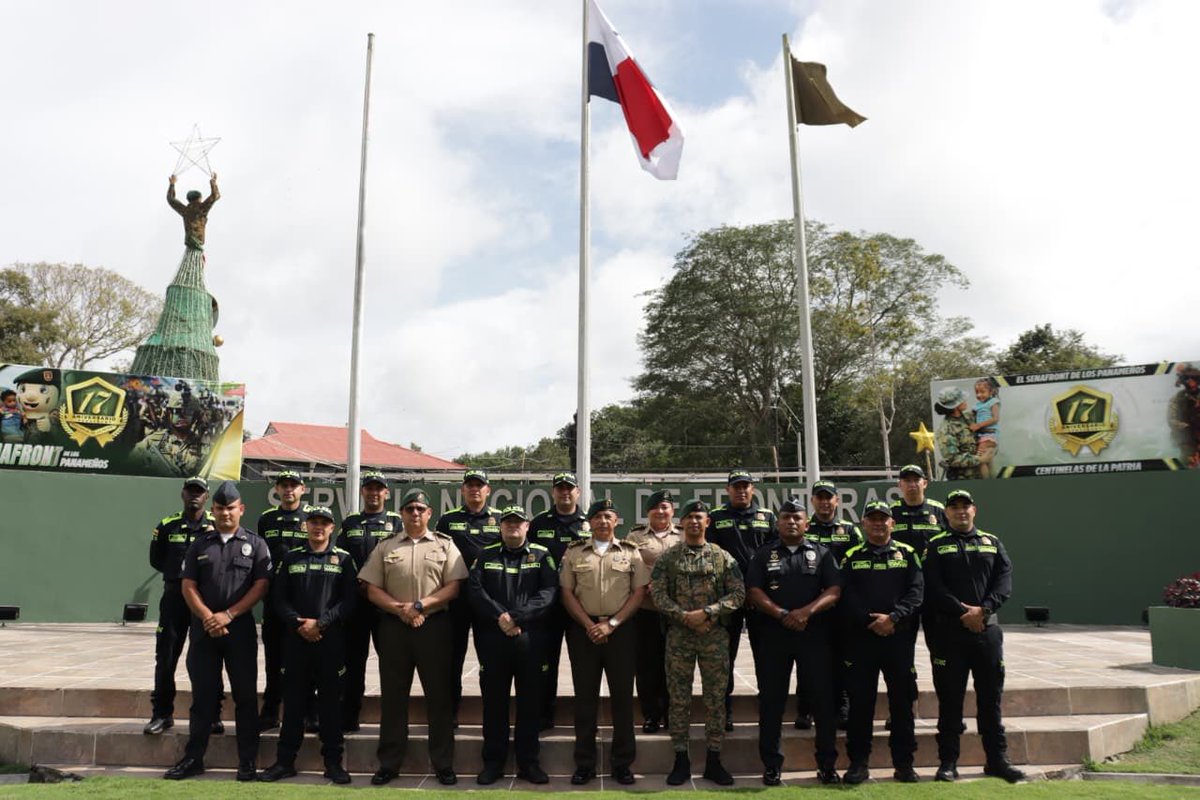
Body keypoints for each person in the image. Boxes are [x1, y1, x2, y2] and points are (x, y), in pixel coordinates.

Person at [358, 488, 466, 787]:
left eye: (420, 509)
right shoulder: (385, 546)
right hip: (395, 627)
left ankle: (443, 764)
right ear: (401, 513)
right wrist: (401, 609)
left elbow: (454, 586)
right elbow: (370, 587)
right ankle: (389, 764)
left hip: (434, 626)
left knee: (439, 697)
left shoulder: (445, 545)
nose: (415, 513)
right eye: (409, 509)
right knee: (393, 697)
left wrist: (420, 606)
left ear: (429, 514)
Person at [165, 481, 271, 782]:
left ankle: (247, 761)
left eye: (231, 508)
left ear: (242, 509)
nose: (226, 513)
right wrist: (208, 617)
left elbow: (261, 585)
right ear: (214, 510)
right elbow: (188, 585)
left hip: (239, 631)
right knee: (203, 698)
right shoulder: (200, 544)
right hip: (204, 632)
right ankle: (194, 758)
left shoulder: (256, 544)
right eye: (221, 508)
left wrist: (229, 614)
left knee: (246, 697)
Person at [924, 490, 1025, 784]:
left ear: (974, 510)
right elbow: (933, 586)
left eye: (965, 506)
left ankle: (997, 760)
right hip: (949, 633)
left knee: (990, 699)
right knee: (950, 700)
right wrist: (962, 613)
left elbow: (1004, 581)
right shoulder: (935, 545)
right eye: (954, 507)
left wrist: (984, 610)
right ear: (946, 513)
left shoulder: (992, 543)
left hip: (987, 632)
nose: (960, 511)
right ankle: (948, 763)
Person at [745, 496, 842, 786]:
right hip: (774, 636)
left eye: (797, 517)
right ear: (777, 523)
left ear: (806, 523)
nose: (791, 522)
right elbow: (753, 590)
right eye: (786, 517)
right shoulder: (763, 555)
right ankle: (772, 765)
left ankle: (826, 765)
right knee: (772, 701)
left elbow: (835, 589)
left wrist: (806, 613)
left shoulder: (822, 553)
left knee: (823, 702)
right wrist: (781, 613)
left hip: (814, 635)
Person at [258, 505, 357, 785]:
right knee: (294, 705)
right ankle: (285, 762)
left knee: (330, 705)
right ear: (305, 526)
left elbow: (349, 601)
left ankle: (334, 763)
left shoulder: (344, 559)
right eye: (313, 522)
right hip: (297, 640)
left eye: (324, 523)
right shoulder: (290, 558)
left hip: (330, 641)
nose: (318, 527)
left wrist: (322, 623)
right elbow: (278, 598)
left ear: (332, 528)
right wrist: (298, 623)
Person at [651, 499, 745, 787]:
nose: (694, 522)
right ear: (682, 522)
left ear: (708, 523)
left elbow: (738, 593)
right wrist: (682, 616)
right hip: (679, 636)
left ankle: (714, 761)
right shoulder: (669, 558)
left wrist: (708, 612)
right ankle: (680, 760)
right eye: (689, 517)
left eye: (699, 517)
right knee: (678, 700)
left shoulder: (721, 557)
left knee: (715, 700)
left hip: (713, 636)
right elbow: (657, 592)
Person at [468, 505, 559, 785]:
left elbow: (549, 592)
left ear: (527, 526)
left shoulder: (542, 556)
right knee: (494, 704)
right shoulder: (485, 556)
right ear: (500, 527)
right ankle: (493, 763)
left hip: (530, 639)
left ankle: (528, 763)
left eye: (518, 522)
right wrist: (501, 616)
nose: (512, 527)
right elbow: (475, 590)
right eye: (507, 522)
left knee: (530, 705)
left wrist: (517, 617)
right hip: (494, 639)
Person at [559, 498, 648, 785]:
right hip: (583, 632)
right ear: (589, 522)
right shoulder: (574, 552)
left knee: (622, 699)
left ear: (616, 521)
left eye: (608, 516)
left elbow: (639, 593)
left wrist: (611, 624)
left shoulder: (631, 552)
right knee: (584, 699)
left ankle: (622, 764)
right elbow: (567, 593)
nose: (602, 521)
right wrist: (589, 625)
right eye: (597, 516)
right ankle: (584, 763)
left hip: (620, 631)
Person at [839, 501, 923, 785]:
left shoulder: (908, 554)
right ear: (863, 524)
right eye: (872, 519)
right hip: (862, 642)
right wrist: (870, 621)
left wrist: (893, 619)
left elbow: (916, 592)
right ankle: (858, 764)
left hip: (898, 641)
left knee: (902, 705)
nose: (878, 524)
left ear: (892, 524)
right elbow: (845, 595)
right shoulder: (851, 556)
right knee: (861, 706)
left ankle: (904, 765)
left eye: (883, 519)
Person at [144, 477, 223, 736]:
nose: (194, 496)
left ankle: (212, 715)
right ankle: (162, 714)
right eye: (190, 491)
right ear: (182, 494)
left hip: (205, 602)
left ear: (206, 496)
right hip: (175, 599)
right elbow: (157, 560)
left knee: (208, 659)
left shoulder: (216, 526)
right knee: (166, 657)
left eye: (199, 492)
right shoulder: (167, 525)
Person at [707, 469, 776, 729]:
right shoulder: (716, 517)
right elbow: (712, 557)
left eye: (746, 486)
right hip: (727, 598)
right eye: (736, 486)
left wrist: (755, 589)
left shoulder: (767, 517)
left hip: (760, 598)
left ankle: (768, 709)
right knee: (724, 657)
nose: (741, 490)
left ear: (753, 489)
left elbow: (774, 556)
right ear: (728, 490)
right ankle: (724, 711)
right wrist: (737, 590)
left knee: (766, 657)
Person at [335, 470, 403, 732]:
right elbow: (341, 557)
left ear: (386, 493)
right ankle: (349, 716)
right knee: (353, 662)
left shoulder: (397, 522)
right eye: (369, 488)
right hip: (357, 604)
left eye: (379, 488)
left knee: (392, 663)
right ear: (362, 491)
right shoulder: (350, 522)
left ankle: (393, 720)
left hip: (387, 604)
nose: (374, 493)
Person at [434, 468, 502, 725]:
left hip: (489, 600)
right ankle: (449, 713)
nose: (475, 489)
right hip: (457, 599)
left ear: (488, 490)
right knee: (451, 659)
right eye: (470, 485)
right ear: (462, 490)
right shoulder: (448, 520)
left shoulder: (499, 519)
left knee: (491, 660)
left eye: (479, 485)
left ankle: (492, 716)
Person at [527, 471, 588, 730]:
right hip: (548, 605)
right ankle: (543, 716)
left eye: (569, 488)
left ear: (578, 492)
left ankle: (584, 719)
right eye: (560, 488)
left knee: (583, 664)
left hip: (580, 603)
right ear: (553, 492)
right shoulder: (540, 523)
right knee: (544, 663)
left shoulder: (589, 523)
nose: (565, 492)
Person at [803, 480, 863, 729]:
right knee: (809, 658)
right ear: (813, 501)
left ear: (837, 501)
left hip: (841, 607)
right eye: (820, 497)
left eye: (829, 497)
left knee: (843, 659)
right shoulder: (804, 528)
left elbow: (858, 562)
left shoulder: (849, 530)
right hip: (811, 605)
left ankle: (843, 708)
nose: (825, 502)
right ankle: (805, 710)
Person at [256, 469, 309, 731]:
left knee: (305, 658)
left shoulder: (312, 518)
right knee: (274, 658)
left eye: (293, 485)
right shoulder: (266, 519)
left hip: (304, 599)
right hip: (274, 599)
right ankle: (270, 710)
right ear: (276, 490)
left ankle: (307, 711)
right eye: (283, 485)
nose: (288, 490)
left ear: (303, 489)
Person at [624, 489, 681, 734]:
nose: (660, 511)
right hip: (645, 610)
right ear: (648, 512)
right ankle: (650, 715)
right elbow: (627, 565)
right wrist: (644, 584)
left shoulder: (682, 535)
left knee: (675, 664)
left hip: (675, 611)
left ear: (672, 511)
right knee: (647, 665)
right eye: (656, 507)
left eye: (665, 507)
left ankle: (673, 714)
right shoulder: (635, 536)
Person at [890, 463, 945, 714]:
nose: (912, 484)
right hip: (901, 595)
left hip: (935, 594)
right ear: (899, 485)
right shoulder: (890, 513)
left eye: (917, 480)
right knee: (901, 656)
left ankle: (948, 711)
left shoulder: (939, 511)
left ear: (925, 483)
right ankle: (904, 711)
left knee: (943, 654)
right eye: (906, 480)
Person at [935, 386, 995, 480]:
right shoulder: (946, 429)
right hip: (965, 480)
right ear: (955, 406)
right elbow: (953, 459)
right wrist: (980, 459)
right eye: (962, 400)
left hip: (983, 476)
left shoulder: (969, 417)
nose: (965, 400)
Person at [167, 172, 219, 250]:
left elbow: (171, 199)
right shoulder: (202, 208)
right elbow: (215, 196)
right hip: (198, 241)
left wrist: (172, 184)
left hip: (189, 243)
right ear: (199, 198)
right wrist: (213, 182)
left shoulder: (185, 210)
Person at [969, 378, 1001, 478]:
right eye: (977, 392)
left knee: (980, 460)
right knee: (989, 461)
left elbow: (995, 419)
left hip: (989, 434)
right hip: (982, 435)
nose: (979, 395)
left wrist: (978, 425)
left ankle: (986, 483)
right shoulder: (978, 405)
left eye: (982, 392)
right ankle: (994, 480)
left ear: (991, 391)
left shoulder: (993, 402)